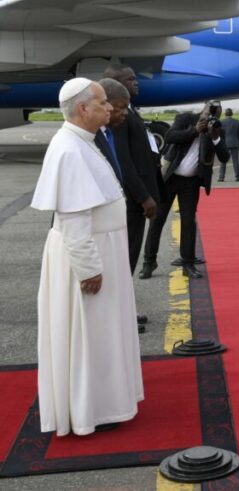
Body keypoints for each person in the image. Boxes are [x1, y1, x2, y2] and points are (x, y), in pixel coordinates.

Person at [31, 78, 144, 436]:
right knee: (91, 337)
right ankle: (92, 409)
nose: (109, 107)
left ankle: (108, 402)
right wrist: (89, 269)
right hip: (89, 258)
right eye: (102, 102)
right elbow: (73, 219)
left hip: (102, 249)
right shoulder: (69, 149)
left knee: (104, 333)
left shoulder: (83, 142)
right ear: (83, 108)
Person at [143, 100, 229, 279]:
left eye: (217, 111)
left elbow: (224, 157)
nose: (212, 114)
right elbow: (170, 136)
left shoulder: (217, 129)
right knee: (157, 220)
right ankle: (149, 262)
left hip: (191, 183)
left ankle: (188, 264)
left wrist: (215, 138)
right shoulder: (186, 119)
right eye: (210, 110)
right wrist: (195, 131)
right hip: (169, 178)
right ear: (203, 109)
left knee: (189, 223)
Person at [96, 78, 151, 334]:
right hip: (107, 221)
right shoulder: (88, 138)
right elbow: (126, 164)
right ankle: (118, 316)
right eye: (118, 107)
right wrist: (143, 196)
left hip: (118, 212)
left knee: (122, 263)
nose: (136, 82)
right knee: (119, 265)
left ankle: (122, 312)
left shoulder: (107, 131)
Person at [103, 65, 164, 281]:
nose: (136, 82)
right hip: (133, 199)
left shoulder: (130, 111)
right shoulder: (119, 116)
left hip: (138, 196)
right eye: (130, 79)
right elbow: (123, 160)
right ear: (117, 84)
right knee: (127, 252)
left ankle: (125, 296)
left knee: (131, 251)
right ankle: (123, 298)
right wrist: (143, 197)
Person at [217, 108, 239, 182]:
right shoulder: (236, 121)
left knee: (223, 161)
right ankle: (237, 177)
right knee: (236, 161)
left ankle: (221, 177)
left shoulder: (222, 122)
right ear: (232, 114)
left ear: (225, 114)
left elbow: (219, 134)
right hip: (235, 143)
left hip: (225, 144)